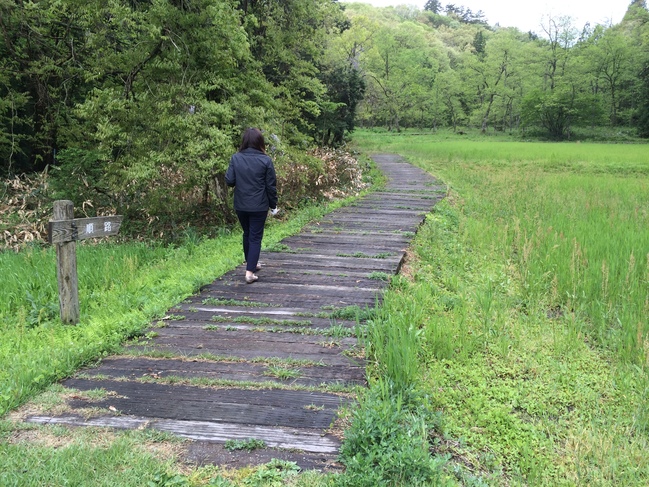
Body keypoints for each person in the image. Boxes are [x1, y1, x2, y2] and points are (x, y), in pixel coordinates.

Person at [225, 128, 278, 284]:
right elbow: (271, 186)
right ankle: (249, 272)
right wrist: (273, 205)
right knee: (255, 237)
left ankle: (251, 263)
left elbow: (229, 181)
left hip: (241, 204)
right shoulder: (266, 160)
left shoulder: (236, 158)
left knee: (247, 233)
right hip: (259, 205)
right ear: (260, 142)